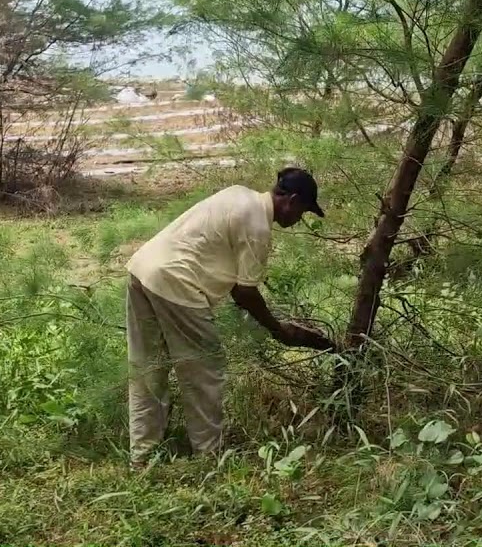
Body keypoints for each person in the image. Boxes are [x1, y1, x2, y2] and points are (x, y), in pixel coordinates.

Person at [124, 167, 334, 463]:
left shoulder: (238, 194)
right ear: (293, 200)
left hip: (142, 269)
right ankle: (209, 456)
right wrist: (279, 330)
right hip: (177, 282)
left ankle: (142, 455)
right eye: (303, 211)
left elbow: (233, 280)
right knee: (204, 371)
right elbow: (245, 292)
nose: (299, 219)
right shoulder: (259, 227)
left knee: (147, 368)